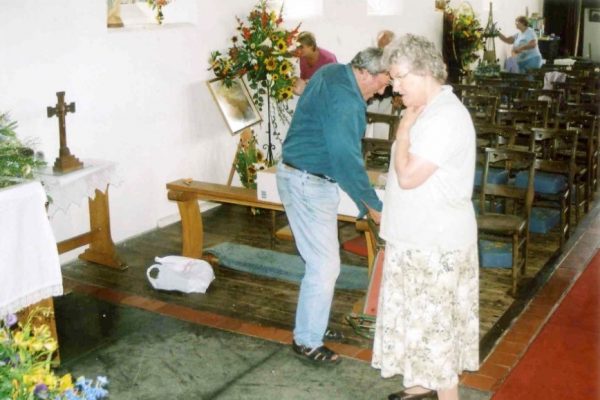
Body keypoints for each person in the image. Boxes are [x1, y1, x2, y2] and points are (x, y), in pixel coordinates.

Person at [371, 34, 479, 400]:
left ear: (426, 72)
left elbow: (410, 176)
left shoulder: (444, 117)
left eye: (400, 78)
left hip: (435, 245)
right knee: (418, 327)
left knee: (436, 335)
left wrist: (402, 134)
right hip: (419, 239)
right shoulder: (427, 110)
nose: (394, 88)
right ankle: (418, 389)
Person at [277, 47, 388, 365]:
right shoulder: (348, 101)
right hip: (307, 181)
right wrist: (372, 205)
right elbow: (346, 159)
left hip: (300, 174)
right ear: (365, 72)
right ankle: (307, 340)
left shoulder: (331, 72)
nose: (383, 91)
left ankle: (314, 325)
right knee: (325, 266)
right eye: (381, 82)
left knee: (320, 261)